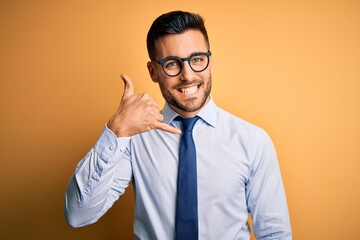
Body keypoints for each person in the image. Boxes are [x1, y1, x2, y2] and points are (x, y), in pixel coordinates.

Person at [64, 10, 292, 239]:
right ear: (154, 72)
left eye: (197, 60)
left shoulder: (253, 141)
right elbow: (78, 214)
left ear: (209, 61)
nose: (188, 75)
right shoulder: (133, 140)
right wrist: (116, 130)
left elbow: (275, 233)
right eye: (172, 64)